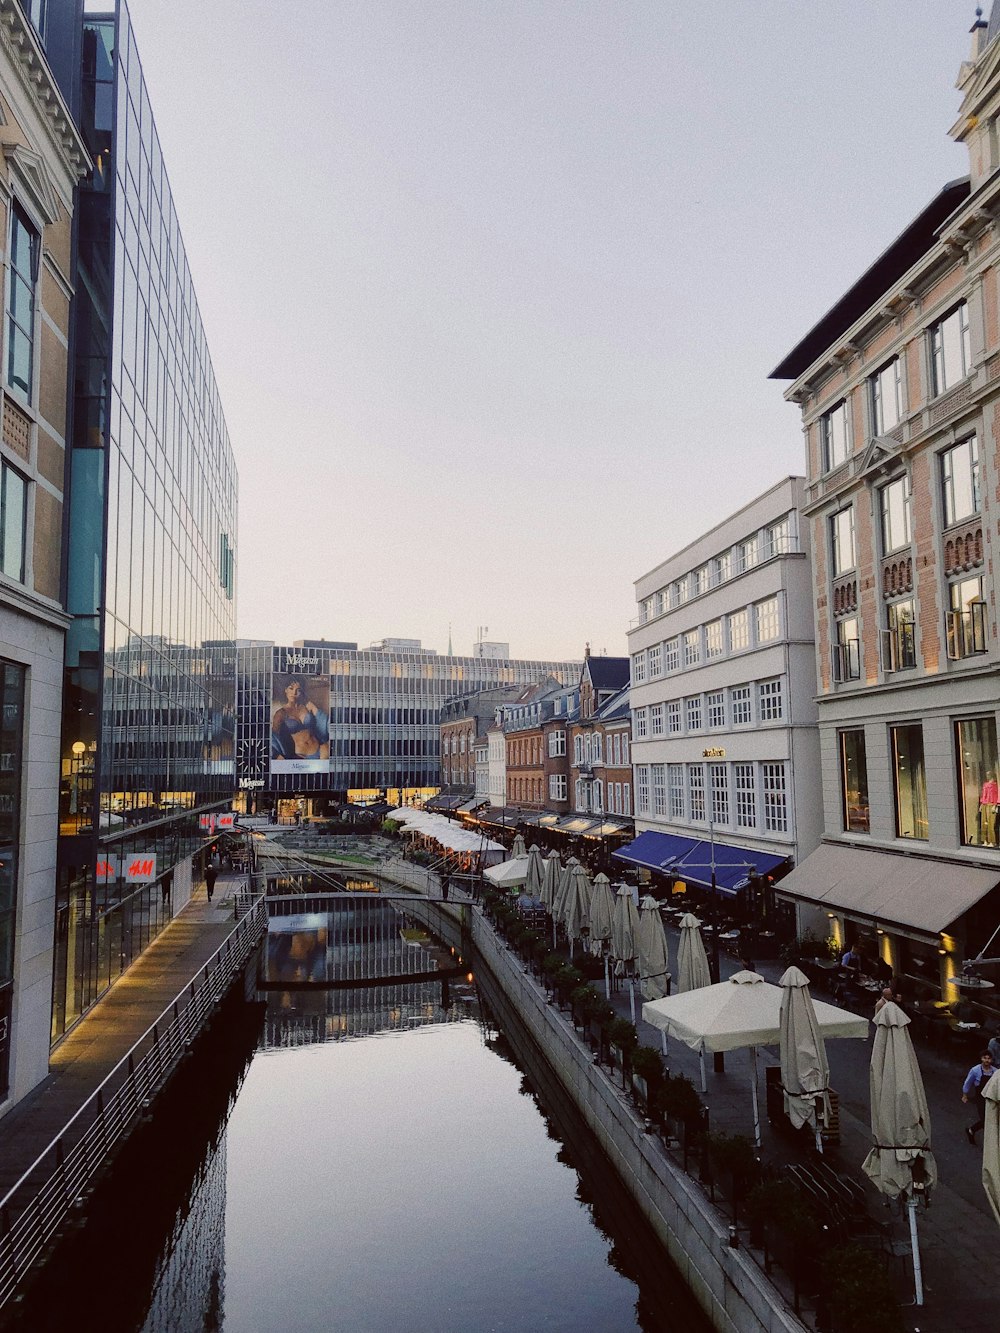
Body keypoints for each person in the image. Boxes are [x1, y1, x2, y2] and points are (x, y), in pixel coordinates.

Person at [270, 676, 329, 763]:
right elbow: (273, 738)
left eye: (298, 690)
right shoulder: (281, 713)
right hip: (300, 756)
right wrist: (283, 755)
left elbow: (323, 719)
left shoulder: (306, 706)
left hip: (321, 749)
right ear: (285, 690)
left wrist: (324, 745)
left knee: (328, 775)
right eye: (291, 688)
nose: (294, 692)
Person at [962, 1050, 996, 1143]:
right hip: (980, 1097)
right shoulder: (975, 1070)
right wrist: (965, 1094)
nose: (987, 1060)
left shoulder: (995, 1072)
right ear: (981, 1059)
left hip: (990, 1097)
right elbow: (968, 1082)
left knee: (991, 1118)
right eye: (985, 1058)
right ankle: (989, 1142)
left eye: (989, 1058)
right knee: (985, 1119)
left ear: (992, 1060)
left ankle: (971, 1130)